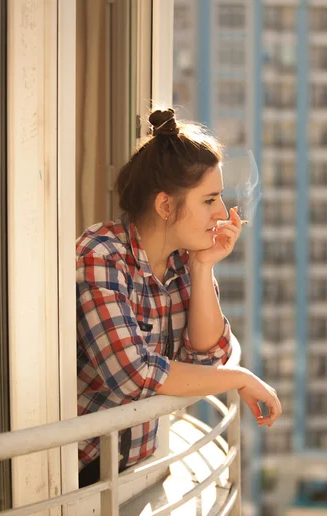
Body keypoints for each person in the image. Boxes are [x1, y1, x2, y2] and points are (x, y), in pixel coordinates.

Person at [76, 108, 281, 487]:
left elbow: (208, 357)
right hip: (79, 473)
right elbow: (133, 375)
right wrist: (239, 378)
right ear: (166, 205)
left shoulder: (183, 262)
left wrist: (203, 268)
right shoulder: (102, 254)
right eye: (209, 200)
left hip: (138, 463)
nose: (223, 213)